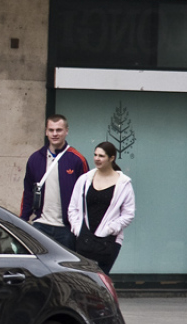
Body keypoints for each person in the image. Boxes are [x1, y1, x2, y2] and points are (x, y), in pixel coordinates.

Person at [20, 114, 88, 249]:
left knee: (67, 268)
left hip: (67, 228)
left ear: (66, 131)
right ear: (46, 131)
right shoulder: (35, 159)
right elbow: (28, 192)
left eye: (59, 130)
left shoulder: (77, 160)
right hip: (40, 225)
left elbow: (86, 195)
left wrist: (82, 227)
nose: (55, 134)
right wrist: (23, 220)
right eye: (51, 130)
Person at [68, 141, 135, 274]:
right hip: (85, 239)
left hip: (108, 241)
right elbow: (73, 207)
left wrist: (111, 228)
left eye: (101, 156)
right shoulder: (85, 179)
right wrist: (77, 228)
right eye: (95, 155)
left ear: (111, 158)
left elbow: (128, 214)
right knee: (83, 279)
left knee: (101, 279)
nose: (97, 159)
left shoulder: (123, 183)